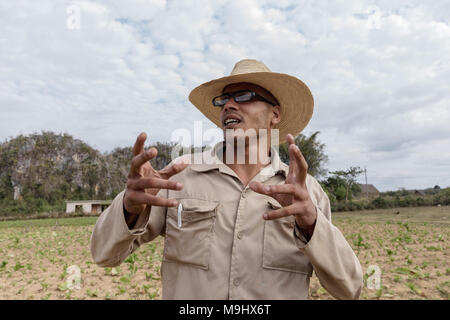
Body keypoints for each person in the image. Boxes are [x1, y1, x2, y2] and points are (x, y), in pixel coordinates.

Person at [90, 59, 363, 300]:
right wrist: (129, 207)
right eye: (223, 100)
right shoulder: (179, 177)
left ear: (275, 115)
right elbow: (104, 255)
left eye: (244, 95)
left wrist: (310, 222)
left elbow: (348, 289)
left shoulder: (306, 194)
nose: (229, 105)